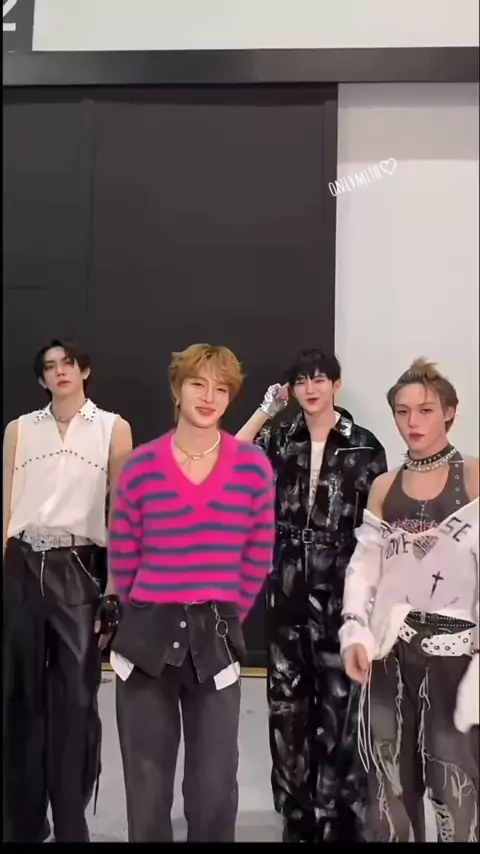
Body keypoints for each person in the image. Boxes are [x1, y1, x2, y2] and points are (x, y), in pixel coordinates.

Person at [108, 343, 275, 843]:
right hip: (147, 634)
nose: (209, 396)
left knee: (214, 786)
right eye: (198, 384)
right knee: (146, 783)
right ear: (176, 390)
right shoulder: (140, 466)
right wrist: (144, 613)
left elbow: (258, 554)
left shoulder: (253, 468)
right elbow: (124, 554)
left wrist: (226, 613)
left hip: (216, 635)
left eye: (221, 388)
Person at [236, 348, 388, 842]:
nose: (310, 388)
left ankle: (341, 811)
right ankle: (297, 811)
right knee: (287, 703)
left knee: (343, 702)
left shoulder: (365, 445)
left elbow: (378, 529)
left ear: (336, 386)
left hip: (344, 588)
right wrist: (266, 410)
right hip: (286, 586)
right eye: (301, 380)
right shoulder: (281, 438)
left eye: (320, 379)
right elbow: (231, 458)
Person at [340, 358, 479, 843]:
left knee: (453, 783)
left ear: (450, 412)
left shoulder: (474, 477)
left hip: (457, 654)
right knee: (388, 786)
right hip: (390, 652)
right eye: (402, 411)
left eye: (425, 410)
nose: (413, 421)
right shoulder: (385, 486)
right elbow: (364, 568)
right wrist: (355, 631)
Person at [2, 338, 133, 843]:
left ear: (84, 370)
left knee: (76, 700)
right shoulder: (19, 429)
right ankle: (23, 820)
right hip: (21, 565)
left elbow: (121, 513)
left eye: (68, 364)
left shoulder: (112, 428)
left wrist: (115, 587)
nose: (60, 372)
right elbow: (6, 506)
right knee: (19, 696)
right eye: (50, 367)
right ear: (41, 379)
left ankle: (71, 818)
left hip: (77, 567)